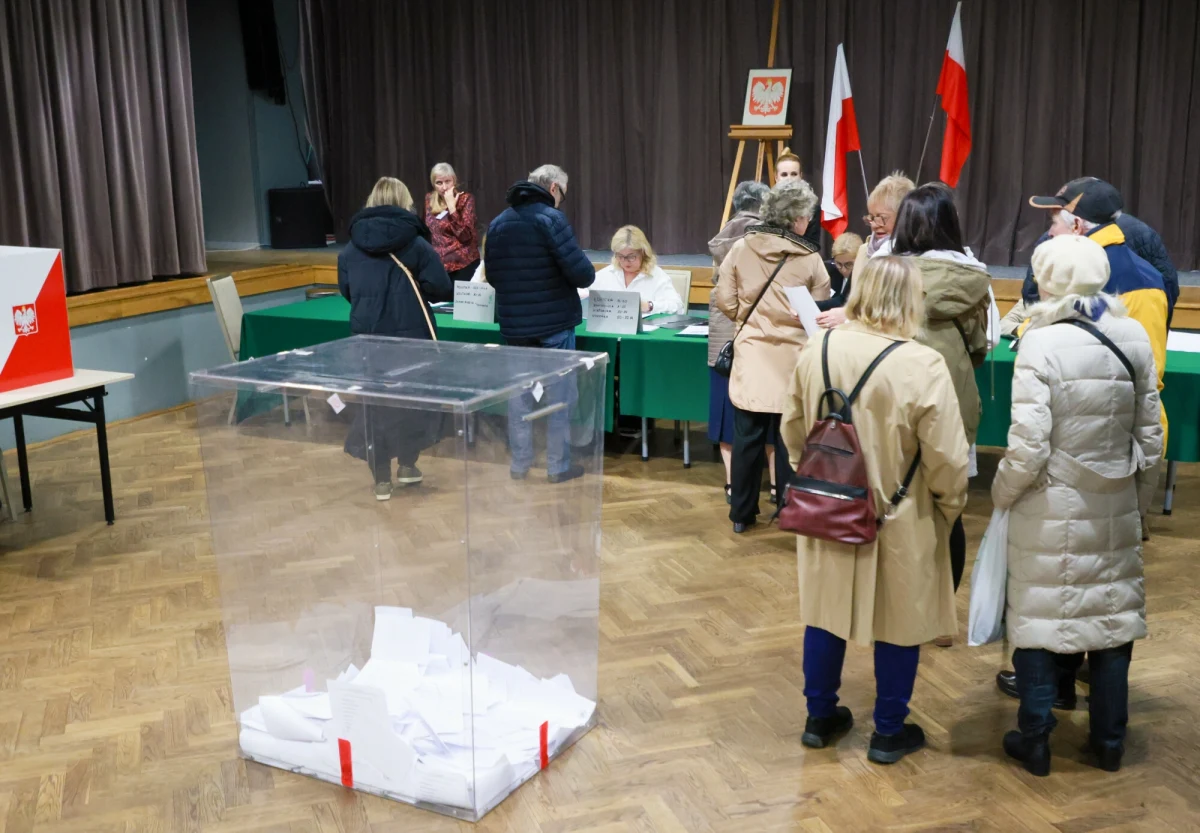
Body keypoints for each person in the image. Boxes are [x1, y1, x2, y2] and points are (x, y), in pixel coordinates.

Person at [782, 255, 969, 765]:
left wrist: (817, 480)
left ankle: (819, 719)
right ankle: (888, 732)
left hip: (827, 505)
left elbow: (793, 428)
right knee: (900, 622)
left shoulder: (818, 346)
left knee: (823, 614)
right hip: (901, 512)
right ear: (911, 301)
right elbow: (949, 458)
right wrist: (950, 507)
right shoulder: (922, 363)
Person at [994, 176, 1171, 702]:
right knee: (1099, 601)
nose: (1048, 227)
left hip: (1073, 489)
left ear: (1076, 223)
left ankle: (1050, 712)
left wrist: (1003, 495)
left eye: (1055, 218)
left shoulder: (1132, 286)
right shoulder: (1096, 286)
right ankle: (1096, 721)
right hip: (1103, 490)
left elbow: (1030, 443)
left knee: (1067, 598)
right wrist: (1138, 496)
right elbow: (1149, 426)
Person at [890, 182, 991, 616]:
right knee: (949, 510)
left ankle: (899, 609)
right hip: (950, 404)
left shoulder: (883, 276)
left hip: (891, 405)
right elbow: (980, 347)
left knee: (895, 507)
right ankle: (942, 613)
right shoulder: (973, 279)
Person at [715, 179, 830, 533]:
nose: (808, 222)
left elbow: (725, 299)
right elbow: (820, 312)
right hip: (793, 359)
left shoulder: (741, 247)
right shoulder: (810, 258)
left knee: (746, 439)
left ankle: (741, 514)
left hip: (752, 355)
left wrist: (747, 321)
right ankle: (789, 511)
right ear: (795, 218)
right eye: (806, 216)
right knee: (789, 442)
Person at [338, 176, 453, 500]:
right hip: (411, 339)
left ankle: (381, 481)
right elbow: (441, 288)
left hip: (368, 340)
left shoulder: (350, 250)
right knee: (411, 404)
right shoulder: (416, 245)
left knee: (374, 408)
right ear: (405, 203)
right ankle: (407, 465)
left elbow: (348, 291)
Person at [485, 164, 595, 483]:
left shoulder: (498, 223)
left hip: (515, 326)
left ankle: (520, 464)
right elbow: (583, 274)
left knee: (519, 398)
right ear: (554, 188)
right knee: (560, 397)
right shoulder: (552, 219)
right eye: (564, 194)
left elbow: (492, 276)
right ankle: (557, 466)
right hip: (554, 325)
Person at [708, 181, 769, 504]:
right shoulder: (766, 237)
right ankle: (775, 487)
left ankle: (733, 485)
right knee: (767, 413)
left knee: (726, 417)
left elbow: (719, 290)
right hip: (759, 337)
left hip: (723, 341)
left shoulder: (723, 236)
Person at [818, 172, 915, 330]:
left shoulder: (912, 255)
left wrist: (848, 317)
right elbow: (850, 300)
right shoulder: (863, 251)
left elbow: (898, 313)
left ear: (904, 217)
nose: (874, 225)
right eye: (871, 217)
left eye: (882, 218)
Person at [585, 226, 684, 315]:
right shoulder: (607, 273)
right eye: (620, 256)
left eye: (631, 257)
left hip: (645, 328)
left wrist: (649, 306)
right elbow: (584, 294)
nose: (625, 262)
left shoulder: (656, 275)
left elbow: (678, 307)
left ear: (643, 253)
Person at [425, 163, 480, 282]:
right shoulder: (429, 199)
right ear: (433, 184)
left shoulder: (465, 199)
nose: (444, 187)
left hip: (463, 265)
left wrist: (452, 208)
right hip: (439, 266)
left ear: (454, 181)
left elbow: (465, 236)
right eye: (439, 183)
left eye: (447, 181)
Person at [775, 148, 821, 248]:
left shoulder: (813, 208)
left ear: (801, 176)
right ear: (776, 178)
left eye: (794, 174)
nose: (789, 179)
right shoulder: (768, 206)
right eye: (784, 174)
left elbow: (813, 245)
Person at [819, 232, 864, 312]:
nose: (843, 270)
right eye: (839, 264)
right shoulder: (829, 271)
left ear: (860, 259)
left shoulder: (866, 278)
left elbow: (842, 302)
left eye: (849, 264)